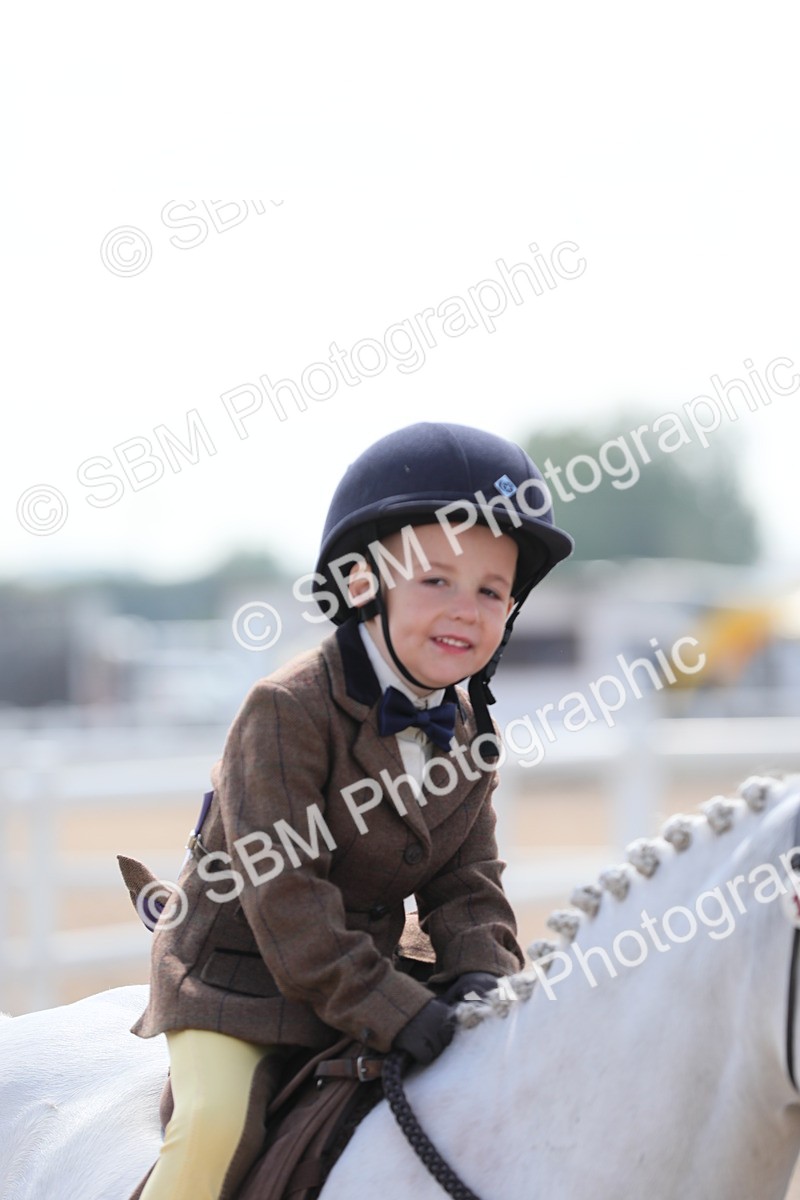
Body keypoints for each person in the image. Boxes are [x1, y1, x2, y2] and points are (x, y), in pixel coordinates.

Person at [126, 421, 573, 1200]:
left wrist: (481, 976)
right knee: (212, 1130)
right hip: (240, 978)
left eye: (490, 591)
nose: (466, 610)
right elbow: (287, 902)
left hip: (358, 967)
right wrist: (395, 1009)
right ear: (366, 582)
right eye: (436, 581)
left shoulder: (468, 728)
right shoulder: (283, 711)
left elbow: (468, 884)